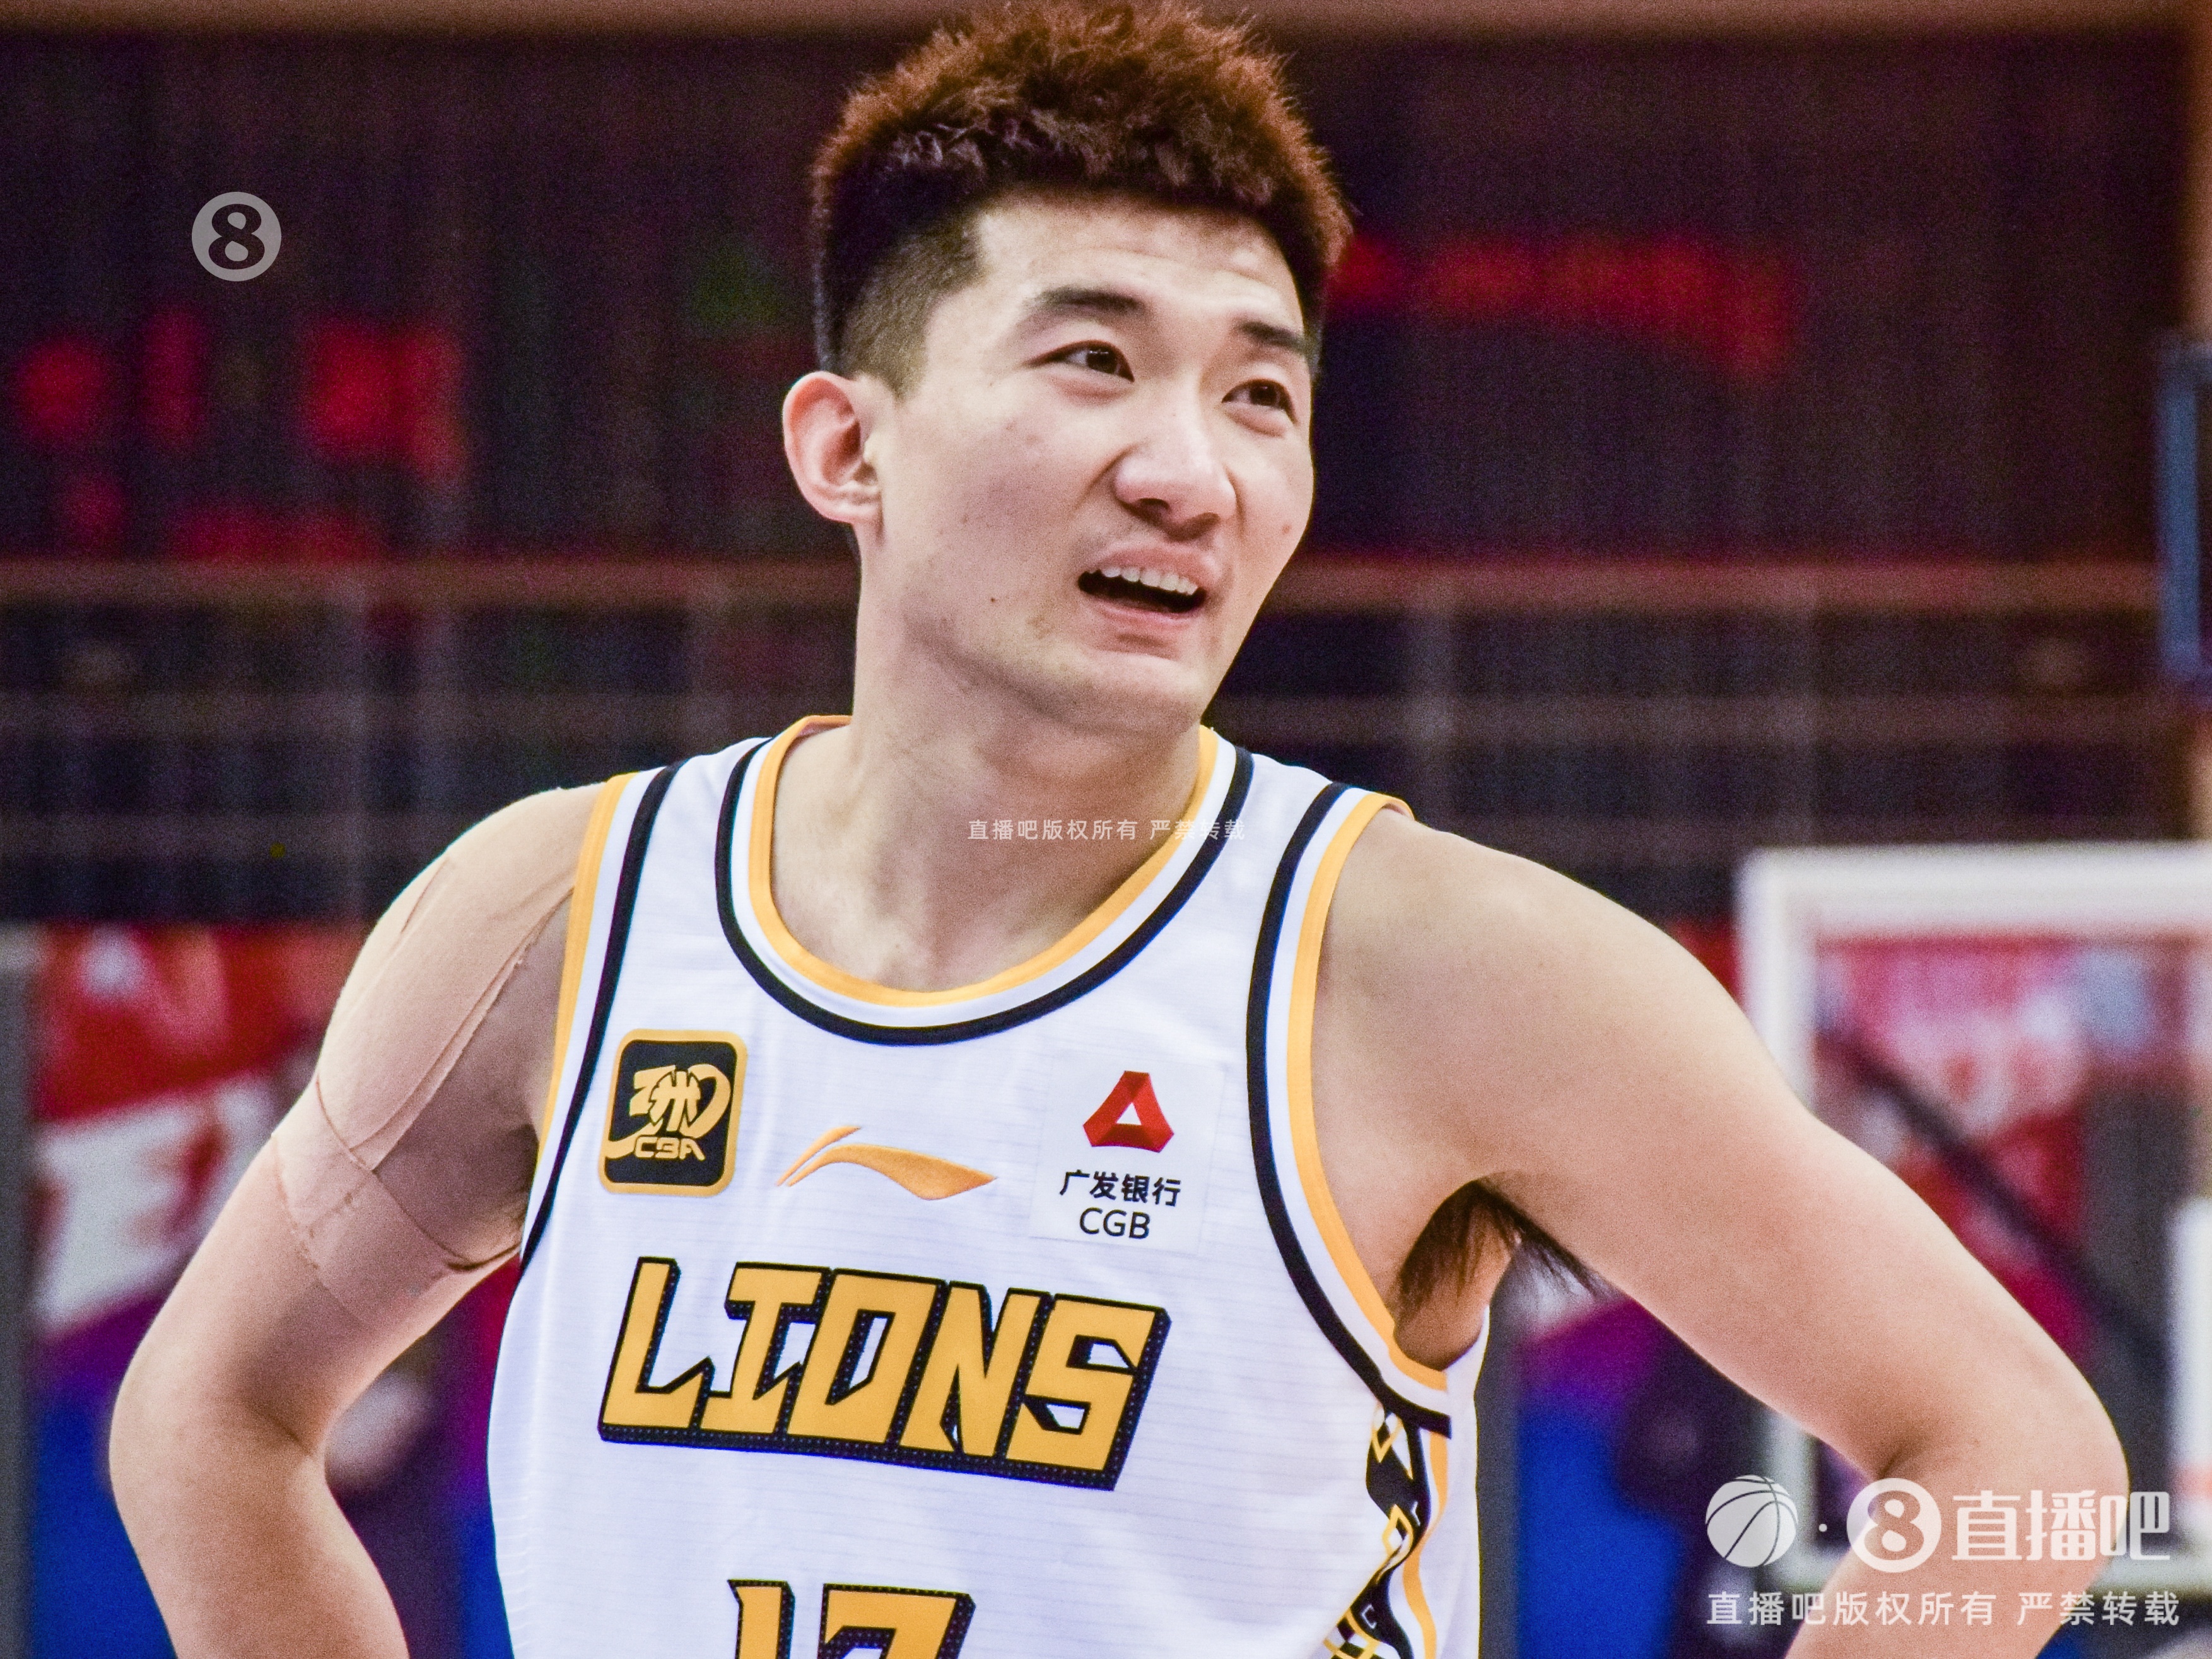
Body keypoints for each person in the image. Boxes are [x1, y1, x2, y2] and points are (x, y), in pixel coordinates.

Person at [110, 6, 2123, 1656]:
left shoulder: (1448, 965)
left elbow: (2014, 1455)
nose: (1191, 472)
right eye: (1092, 362)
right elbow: (212, 1417)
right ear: (846, 446)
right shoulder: (558, 914)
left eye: (1260, 397)